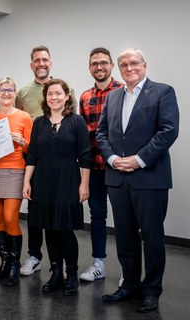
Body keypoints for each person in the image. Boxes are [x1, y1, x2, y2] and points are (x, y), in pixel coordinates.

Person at [98, 49, 179, 313]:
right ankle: (130, 284)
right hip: (118, 178)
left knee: (152, 237)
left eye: (134, 63)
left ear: (144, 65)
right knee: (124, 235)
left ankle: (151, 290)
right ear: (118, 69)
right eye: (124, 64)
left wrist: (139, 159)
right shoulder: (112, 97)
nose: (129, 68)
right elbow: (101, 134)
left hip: (149, 178)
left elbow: (168, 131)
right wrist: (111, 159)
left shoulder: (162, 92)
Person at [23, 79, 91, 296]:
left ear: (67, 96)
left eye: (58, 93)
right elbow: (32, 155)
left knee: (64, 230)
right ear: (45, 98)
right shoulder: (40, 123)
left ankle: (71, 274)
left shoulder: (77, 122)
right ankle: (55, 273)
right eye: (50, 94)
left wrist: (84, 184)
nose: (54, 97)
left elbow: (85, 157)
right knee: (49, 229)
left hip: (67, 180)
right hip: (42, 181)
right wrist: (26, 182)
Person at [17, 45, 76, 276]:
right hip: (34, 161)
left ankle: (61, 263)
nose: (41, 64)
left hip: (61, 165)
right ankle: (34, 255)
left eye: (45, 60)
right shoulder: (22, 92)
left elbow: (71, 124)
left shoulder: (64, 87)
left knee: (59, 220)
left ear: (50, 63)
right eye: (37, 60)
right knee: (35, 214)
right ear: (32, 64)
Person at [0, 77, 32, 286]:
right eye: (3, 89)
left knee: (11, 219)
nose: (6, 93)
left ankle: (15, 265)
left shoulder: (25, 117)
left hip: (14, 171)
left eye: (10, 90)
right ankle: (5, 262)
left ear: (15, 93)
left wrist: (23, 142)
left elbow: (31, 150)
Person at [78, 48, 124, 282]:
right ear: (89, 68)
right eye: (95, 63)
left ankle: (128, 270)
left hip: (120, 167)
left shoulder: (124, 91)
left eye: (104, 63)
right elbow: (83, 137)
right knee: (97, 216)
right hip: (95, 168)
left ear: (111, 66)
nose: (99, 67)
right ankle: (98, 264)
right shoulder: (85, 96)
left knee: (126, 218)